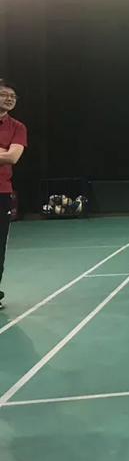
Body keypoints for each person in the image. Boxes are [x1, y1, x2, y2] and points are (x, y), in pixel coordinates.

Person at [0, 80, 26, 311]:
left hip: (2, 193)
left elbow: (12, 157)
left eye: (12, 96)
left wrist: (6, 153)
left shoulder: (17, 127)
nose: (9, 99)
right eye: (3, 94)